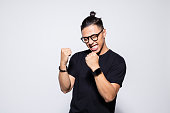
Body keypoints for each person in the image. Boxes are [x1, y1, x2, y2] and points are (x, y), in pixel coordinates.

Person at [58, 11, 126, 113]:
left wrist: (95, 68)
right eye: (85, 39)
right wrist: (63, 65)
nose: (90, 42)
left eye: (94, 36)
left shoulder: (117, 61)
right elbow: (65, 88)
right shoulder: (77, 58)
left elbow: (109, 96)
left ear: (104, 33)